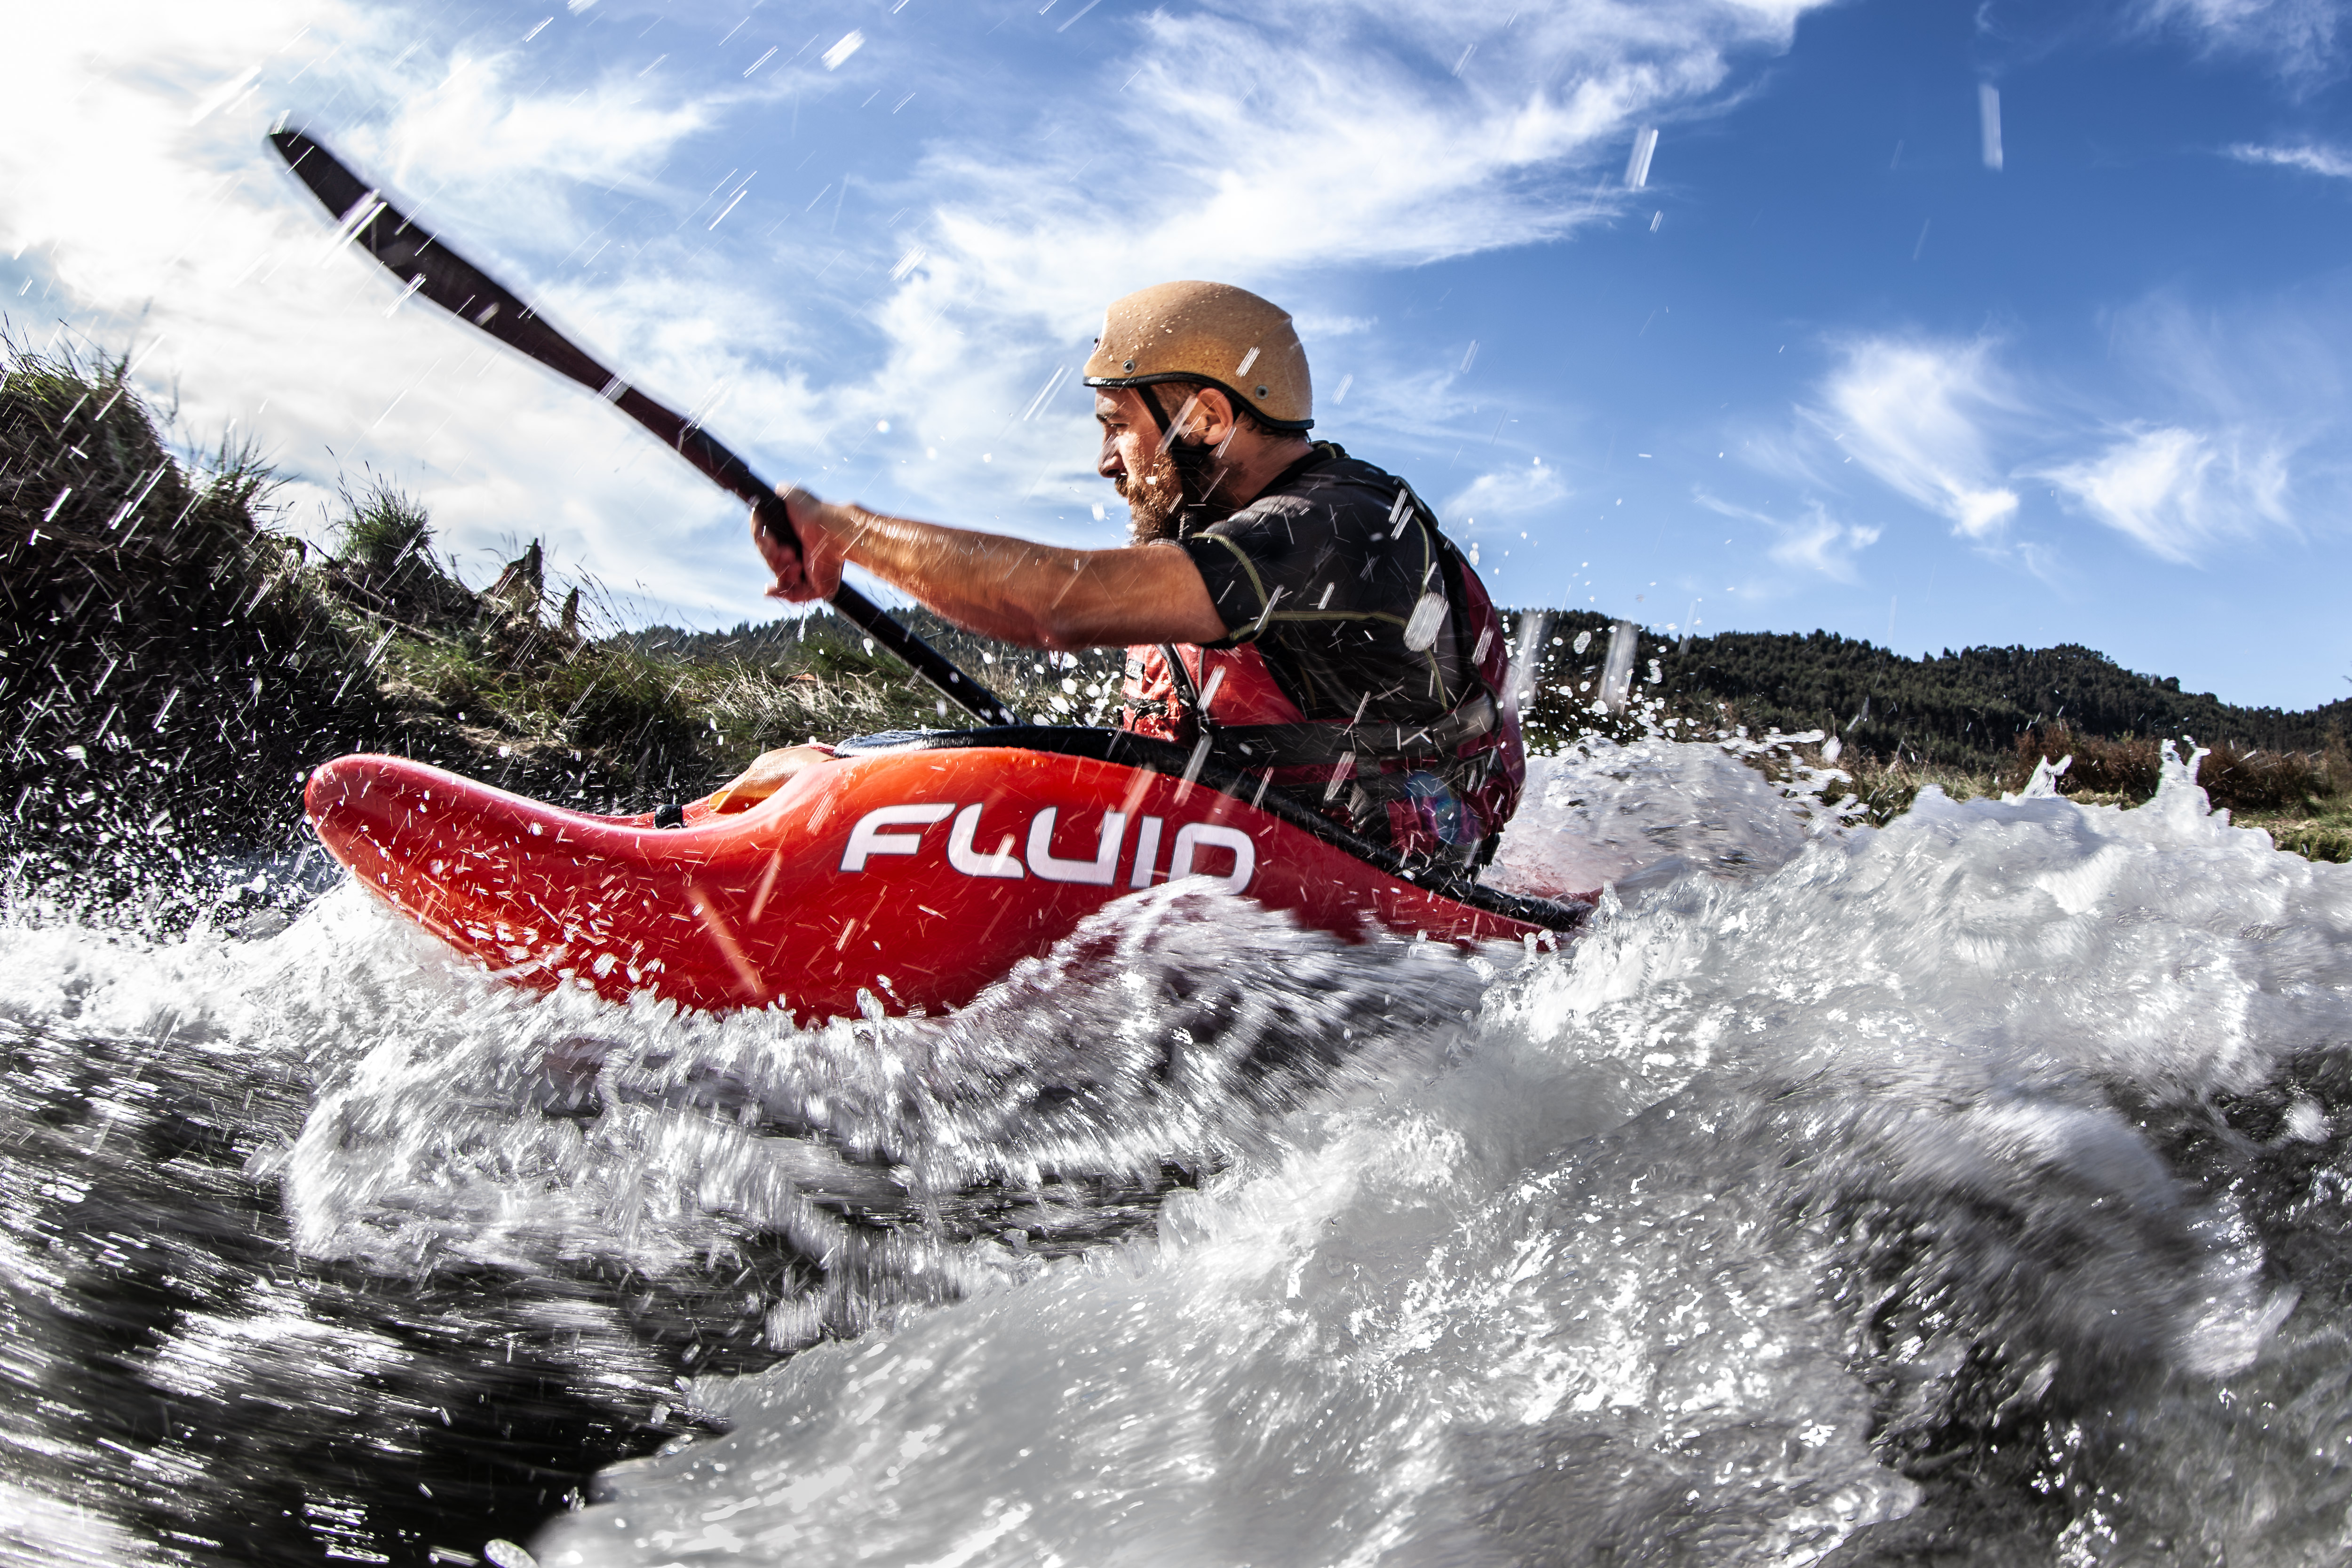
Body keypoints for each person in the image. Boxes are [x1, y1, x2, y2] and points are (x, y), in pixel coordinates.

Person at [717, 279, 1524, 867]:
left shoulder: (1335, 526)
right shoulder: (1216, 548)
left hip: (1378, 886)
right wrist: (861, 761)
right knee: (828, 768)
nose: (1104, 462)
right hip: (1255, 863)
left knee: (848, 782)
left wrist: (847, 532)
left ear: (1206, 418)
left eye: (1118, 427)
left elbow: (1055, 607)